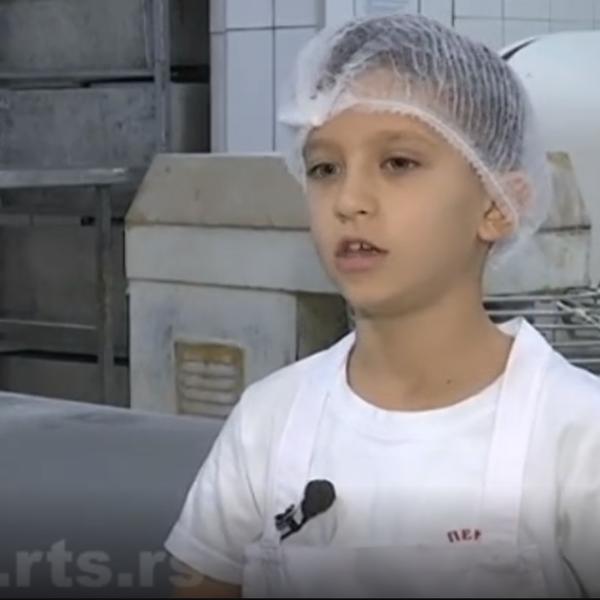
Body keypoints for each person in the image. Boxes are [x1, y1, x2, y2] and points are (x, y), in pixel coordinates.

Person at [164, 12, 600, 598]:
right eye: (325, 168)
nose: (349, 200)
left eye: (398, 163)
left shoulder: (577, 435)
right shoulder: (268, 422)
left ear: (498, 204)